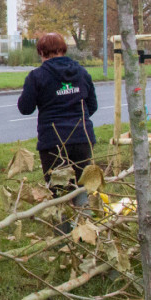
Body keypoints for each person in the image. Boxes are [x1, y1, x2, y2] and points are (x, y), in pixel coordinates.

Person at [17, 33, 98, 219]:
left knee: (57, 188)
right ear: (63, 50)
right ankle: (86, 229)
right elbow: (92, 105)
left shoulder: (37, 77)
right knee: (81, 185)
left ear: (41, 52)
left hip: (53, 140)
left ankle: (61, 235)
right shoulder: (82, 73)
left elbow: (25, 108)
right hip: (82, 137)